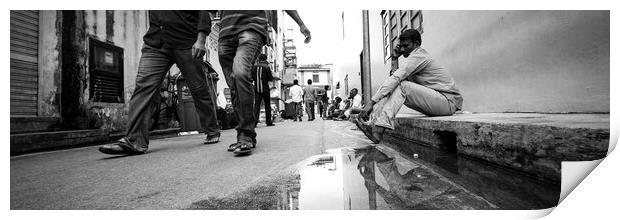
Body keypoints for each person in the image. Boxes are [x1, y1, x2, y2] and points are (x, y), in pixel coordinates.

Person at [99, 11, 220, 155]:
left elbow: (203, 10)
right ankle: (135, 140)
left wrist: (201, 39)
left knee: (198, 88)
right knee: (144, 86)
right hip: (156, 43)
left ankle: (212, 129)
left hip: (186, 42)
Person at [218, 10, 311, 155]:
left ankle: (245, 134)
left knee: (240, 74)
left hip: (251, 27)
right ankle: (246, 133)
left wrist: (301, 23)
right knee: (235, 86)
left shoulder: (265, 67)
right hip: (225, 32)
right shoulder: (266, 67)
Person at [358, 29, 463, 144]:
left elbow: (396, 78)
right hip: (438, 103)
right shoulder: (412, 61)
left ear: (416, 44)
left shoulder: (419, 56)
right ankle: (373, 124)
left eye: (406, 46)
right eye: (401, 46)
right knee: (394, 87)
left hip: (448, 102)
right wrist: (394, 59)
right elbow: (395, 79)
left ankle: (378, 130)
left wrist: (371, 102)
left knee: (402, 86)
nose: (402, 49)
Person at [252, 54, 275, 127]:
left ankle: (254, 123)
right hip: (265, 89)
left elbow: (252, 77)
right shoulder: (267, 67)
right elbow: (270, 78)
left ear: (259, 59)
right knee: (267, 105)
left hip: (257, 89)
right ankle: (268, 122)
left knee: (256, 105)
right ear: (265, 59)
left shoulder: (254, 67)